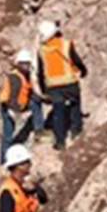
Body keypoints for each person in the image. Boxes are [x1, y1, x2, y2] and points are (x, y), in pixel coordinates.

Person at [36, 20, 88, 152]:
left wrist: (43, 90)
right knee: (75, 105)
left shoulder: (42, 50)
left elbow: (41, 72)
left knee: (58, 113)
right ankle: (76, 130)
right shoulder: (66, 44)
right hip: (70, 83)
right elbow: (76, 60)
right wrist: (83, 70)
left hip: (53, 87)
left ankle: (60, 142)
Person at [0, 49, 42, 164]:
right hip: (9, 108)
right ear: (18, 64)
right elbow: (11, 98)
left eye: (27, 63)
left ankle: (39, 131)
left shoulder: (25, 75)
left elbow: (30, 93)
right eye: (23, 63)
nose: (26, 66)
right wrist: (18, 112)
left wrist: (45, 99)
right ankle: (4, 161)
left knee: (36, 103)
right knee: (7, 135)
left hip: (20, 105)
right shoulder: (15, 77)